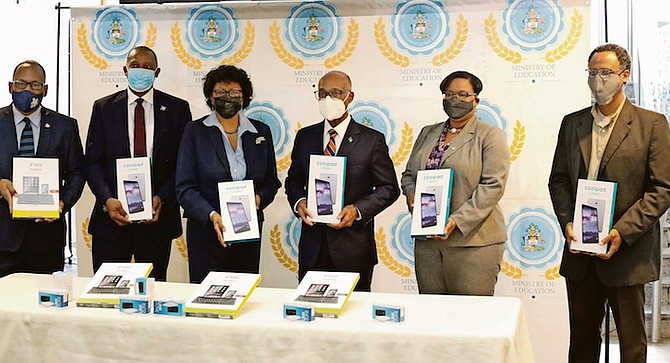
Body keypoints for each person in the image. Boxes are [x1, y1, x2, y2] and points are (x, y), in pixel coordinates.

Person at [548, 43, 670, 363]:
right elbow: (558, 181)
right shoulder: (571, 123)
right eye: (592, 72)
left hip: (627, 253)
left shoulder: (652, 124)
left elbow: (662, 189)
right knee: (583, 340)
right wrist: (568, 224)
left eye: (606, 72)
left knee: (632, 345)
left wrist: (622, 231)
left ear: (624, 76)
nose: (598, 79)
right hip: (581, 253)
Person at [84, 46, 192, 281]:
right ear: (125, 70)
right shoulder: (103, 108)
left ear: (157, 72)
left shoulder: (177, 109)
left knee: (151, 294)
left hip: (156, 221)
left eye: (147, 67)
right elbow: (92, 162)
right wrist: (107, 200)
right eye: (134, 66)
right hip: (111, 221)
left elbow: (183, 165)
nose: (140, 71)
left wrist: (161, 197)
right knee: (107, 295)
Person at [285, 70, 400, 291]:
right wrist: (299, 201)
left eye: (336, 93)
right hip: (313, 248)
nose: (329, 99)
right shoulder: (305, 137)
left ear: (350, 96)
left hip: (353, 249)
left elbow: (389, 188)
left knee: (353, 319)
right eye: (323, 93)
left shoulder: (371, 140)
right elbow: (293, 181)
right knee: (311, 316)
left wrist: (357, 210)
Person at [400, 71, 510, 296]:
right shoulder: (427, 133)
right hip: (428, 243)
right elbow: (409, 175)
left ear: (475, 100)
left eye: (462, 94)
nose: (455, 100)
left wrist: (456, 221)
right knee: (434, 317)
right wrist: (412, 195)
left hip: (473, 243)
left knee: (470, 319)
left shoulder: (489, 135)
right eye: (449, 94)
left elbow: (492, 185)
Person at [175, 65, 280, 283]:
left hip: (247, 231)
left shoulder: (260, 132)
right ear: (210, 97)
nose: (227, 98)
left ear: (244, 97)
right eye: (220, 92)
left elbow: (271, 181)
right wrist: (212, 215)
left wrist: (259, 198)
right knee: (207, 298)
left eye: (234, 93)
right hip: (207, 231)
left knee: (244, 293)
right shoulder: (194, 131)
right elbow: (184, 188)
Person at [0, 60, 85, 277]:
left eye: (35, 85)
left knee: (45, 306)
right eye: (21, 84)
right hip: (4, 238)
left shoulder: (65, 126)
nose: (28, 90)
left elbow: (77, 172)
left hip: (47, 239)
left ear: (45, 90)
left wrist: (63, 202)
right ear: (10, 86)